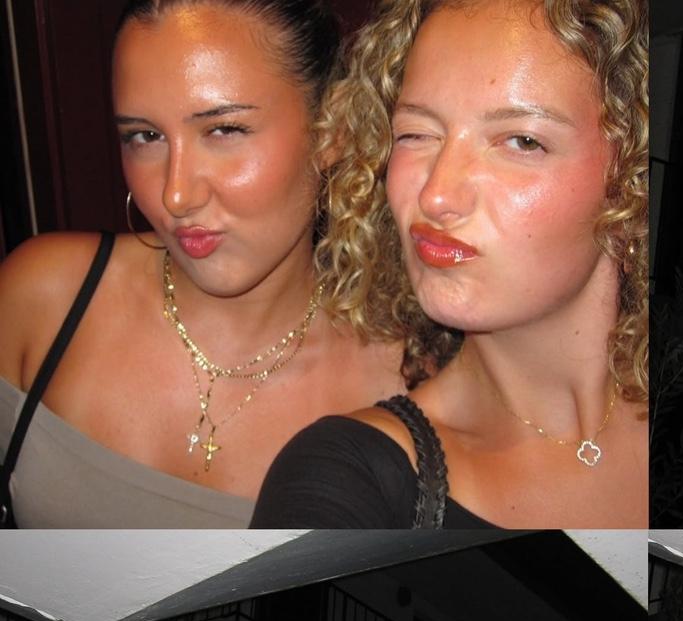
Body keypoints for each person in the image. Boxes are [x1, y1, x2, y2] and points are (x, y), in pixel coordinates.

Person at [0, 0, 404, 528]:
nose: (175, 194)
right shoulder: (44, 299)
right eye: (144, 136)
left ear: (334, 131)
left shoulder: (407, 385)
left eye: (224, 130)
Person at [250, 0, 648, 529]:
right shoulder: (350, 478)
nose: (435, 195)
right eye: (416, 134)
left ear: (631, 182)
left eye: (522, 141)